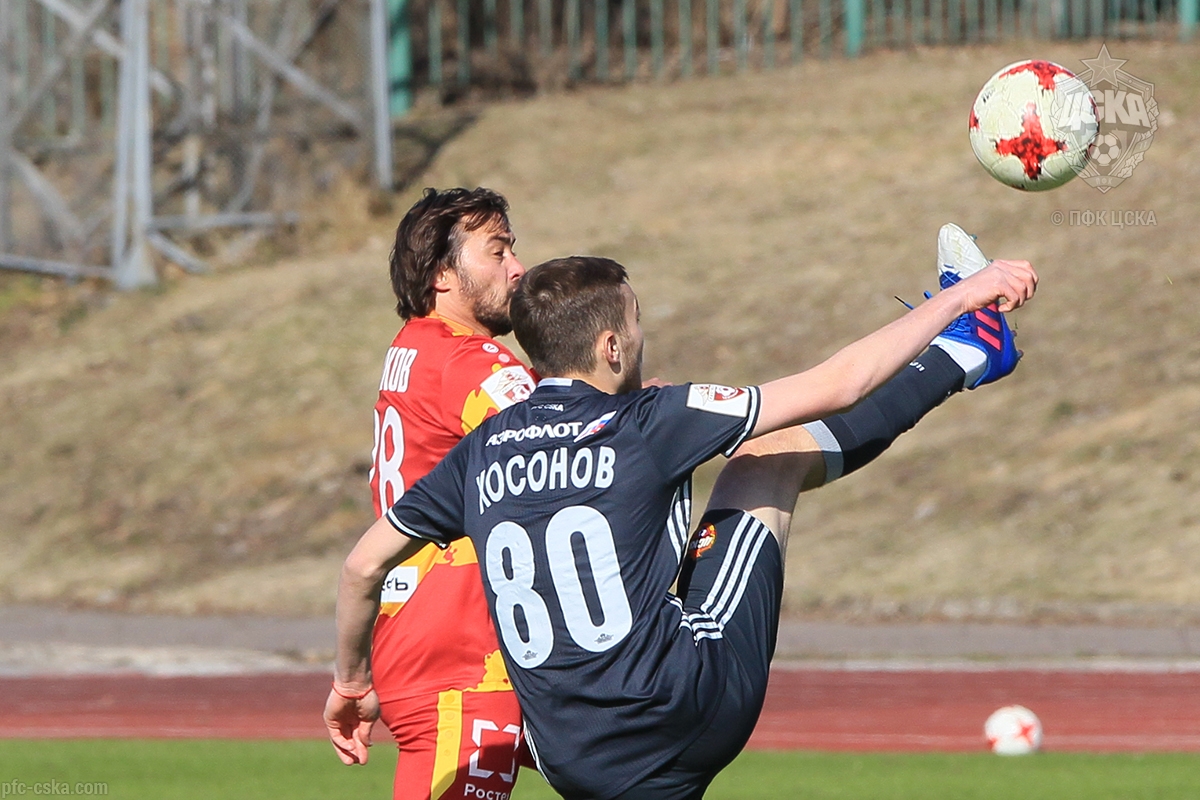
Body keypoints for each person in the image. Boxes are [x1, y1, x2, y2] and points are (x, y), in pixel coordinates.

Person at [326, 225, 1037, 798]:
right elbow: (842, 383)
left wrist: (352, 681)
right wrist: (965, 295)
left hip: (569, 757)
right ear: (610, 346)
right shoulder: (649, 420)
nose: (640, 336)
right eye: (636, 323)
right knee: (767, 457)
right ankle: (968, 348)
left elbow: (362, 567)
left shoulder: (480, 451)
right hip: (682, 711)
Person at [330, 187, 537, 800]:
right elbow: (559, 446)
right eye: (497, 251)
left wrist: (353, 676)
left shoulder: (412, 346)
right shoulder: (470, 362)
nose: (517, 267)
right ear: (442, 275)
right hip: (462, 653)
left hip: (419, 637)